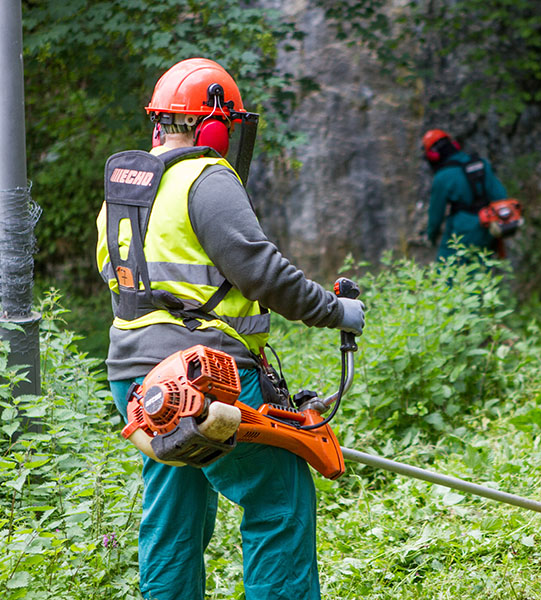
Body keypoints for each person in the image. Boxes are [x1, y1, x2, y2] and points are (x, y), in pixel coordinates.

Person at [95, 57, 365, 600]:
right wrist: (336, 312)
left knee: (174, 508)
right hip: (204, 378)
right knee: (278, 497)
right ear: (214, 124)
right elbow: (263, 272)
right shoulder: (207, 178)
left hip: (138, 384)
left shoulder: (124, 192)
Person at [422, 129, 509, 261]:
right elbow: (501, 195)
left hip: (462, 228)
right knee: (483, 266)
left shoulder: (442, 177)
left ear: (433, 155)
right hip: (489, 226)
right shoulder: (481, 163)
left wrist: (431, 237)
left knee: (446, 268)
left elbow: (436, 215)